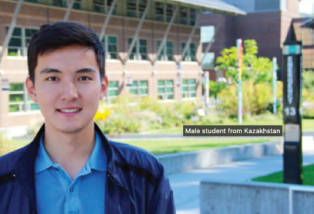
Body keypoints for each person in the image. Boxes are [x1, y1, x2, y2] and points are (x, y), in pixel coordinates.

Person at [0, 21, 175, 214]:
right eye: (52, 78)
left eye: (83, 78)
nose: (69, 94)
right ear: (32, 89)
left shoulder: (145, 174)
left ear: (103, 87)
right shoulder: (3, 178)